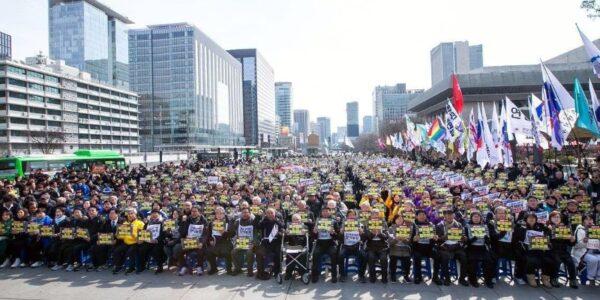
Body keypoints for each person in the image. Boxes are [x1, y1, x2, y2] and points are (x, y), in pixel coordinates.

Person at [514, 212, 553, 288]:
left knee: (548, 260)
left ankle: (545, 278)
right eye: (529, 218)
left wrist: (549, 229)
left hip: (539, 249)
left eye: (533, 218)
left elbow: (547, 235)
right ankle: (531, 277)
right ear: (526, 219)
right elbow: (517, 239)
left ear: (536, 219)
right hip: (526, 250)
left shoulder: (541, 226)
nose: (531, 219)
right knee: (530, 260)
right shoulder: (521, 227)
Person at [434, 209, 469, 286]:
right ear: (444, 216)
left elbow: (463, 238)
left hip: (457, 247)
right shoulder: (439, 225)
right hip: (445, 247)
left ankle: (462, 278)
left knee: (464, 257)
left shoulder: (459, 224)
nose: (449, 216)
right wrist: (445, 237)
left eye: (451, 214)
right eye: (447, 214)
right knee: (444, 258)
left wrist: (464, 238)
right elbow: (437, 240)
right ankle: (447, 278)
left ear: (454, 215)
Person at [547, 210, 578, 288]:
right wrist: (550, 231)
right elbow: (546, 241)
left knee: (571, 262)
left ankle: (573, 280)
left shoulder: (565, 228)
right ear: (550, 218)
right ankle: (554, 278)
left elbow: (569, 243)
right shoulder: (546, 227)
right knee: (557, 261)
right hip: (551, 251)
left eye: (558, 217)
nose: (556, 219)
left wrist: (572, 240)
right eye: (554, 217)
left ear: (561, 218)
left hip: (563, 251)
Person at [175, 206, 209, 276]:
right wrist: (183, 222)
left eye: (195, 211)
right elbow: (182, 232)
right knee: (177, 248)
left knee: (201, 249)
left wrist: (202, 242)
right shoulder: (187, 219)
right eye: (192, 211)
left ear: (199, 212)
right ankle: (184, 266)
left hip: (198, 241)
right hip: (188, 241)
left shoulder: (204, 220)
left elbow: (205, 234)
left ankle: (199, 266)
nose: (193, 213)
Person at [464, 211, 494, 288]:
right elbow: (465, 241)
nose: (476, 218)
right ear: (471, 218)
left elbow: (488, 241)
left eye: (478, 217)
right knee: (473, 261)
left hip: (483, 247)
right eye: (474, 217)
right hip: (472, 248)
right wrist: (473, 238)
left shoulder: (485, 226)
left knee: (489, 260)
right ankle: (473, 279)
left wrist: (487, 239)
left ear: (481, 218)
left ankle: (488, 280)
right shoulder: (467, 226)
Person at [311, 207, 340, 283]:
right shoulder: (318, 221)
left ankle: (334, 275)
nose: (325, 213)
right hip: (320, 243)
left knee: (334, 255)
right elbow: (313, 236)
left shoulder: (334, 221)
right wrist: (314, 232)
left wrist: (333, 233)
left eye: (327, 211)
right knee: (315, 254)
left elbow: (338, 236)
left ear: (330, 212)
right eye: (323, 211)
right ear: (321, 213)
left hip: (330, 243)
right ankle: (315, 275)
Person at [112, 208, 145, 274]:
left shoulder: (140, 223)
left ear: (136, 214)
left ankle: (131, 267)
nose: (130, 215)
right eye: (128, 214)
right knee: (116, 251)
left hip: (136, 243)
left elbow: (141, 237)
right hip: (126, 242)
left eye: (132, 214)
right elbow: (120, 236)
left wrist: (132, 233)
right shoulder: (125, 223)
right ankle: (119, 266)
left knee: (130, 252)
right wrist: (118, 234)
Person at [337, 209, 366, 283]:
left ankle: (361, 275)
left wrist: (361, 233)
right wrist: (342, 231)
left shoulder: (359, 223)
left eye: (353, 215)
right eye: (349, 215)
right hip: (346, 246)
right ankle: (342, 275)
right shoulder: (344, 223)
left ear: (355, 216)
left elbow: (364, 236)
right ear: (347, 216)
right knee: (340, 256)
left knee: (364, 256)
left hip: (356, 246)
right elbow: (339, 237)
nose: (351, 216)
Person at [411, 209, 439, 284]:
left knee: (438, 255)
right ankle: (418, 276)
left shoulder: (431, 225)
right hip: (417, 248)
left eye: (423, 215)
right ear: (416, 216)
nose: (422, 216)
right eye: (420, 215)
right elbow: (409, 238)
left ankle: (436, 276)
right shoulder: (413, 225)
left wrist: (435, 238)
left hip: (428, 248)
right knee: (417, 256)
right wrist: (413, 239)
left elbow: (434, 239)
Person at [255, 208, 284, 280]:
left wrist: (275, 220)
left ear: (275, 214)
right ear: (266, 214)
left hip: (276, 241)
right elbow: (257, 226)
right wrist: (257, 216)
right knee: (259, 253)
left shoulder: (278, 220)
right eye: (268, 213)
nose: (270, 215)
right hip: (266, 241)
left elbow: (283, 226)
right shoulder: (264, 220)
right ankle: (261, 271)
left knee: (278, 252)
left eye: (271, 213)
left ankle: (277, 271)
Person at [573, 214, 600, 286]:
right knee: (593, 260)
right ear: (583, 221)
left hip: (596, 251)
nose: (589, 221)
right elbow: (577, 246)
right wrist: (584, 242)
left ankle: (598, 276)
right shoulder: (580, 230)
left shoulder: (596, 229)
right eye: (587, 219)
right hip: (582, 252)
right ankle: (590, 278)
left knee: (598, 259)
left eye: (591, 219)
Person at [364, 208, 389, 283]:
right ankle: (372, 276)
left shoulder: (383, 223)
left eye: (376, 214)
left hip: (382, 246)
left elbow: (386, 237)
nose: (375, 216)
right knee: (371, 258)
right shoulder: (367, 223)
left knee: (383, 259)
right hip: (371, 246)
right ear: (371, 215)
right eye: (373, 214)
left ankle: (384, 276)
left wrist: (380, 233)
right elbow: (366, 237)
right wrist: (372, 233)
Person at [206, 206, 233, 275]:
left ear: (224, 214)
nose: (219, 215)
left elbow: (232, 234)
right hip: (215, 242)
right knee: (208, 251)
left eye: (221, 213)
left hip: (226, 242)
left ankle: (229, 269)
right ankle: (214, 268)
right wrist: (211, 240)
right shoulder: (211, 223)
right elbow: (208, 234)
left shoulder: (229, 222)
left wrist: (224, 233)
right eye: (217, 213)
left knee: (227, 250)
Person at [139, 209, 165, 274]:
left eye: (156, 213)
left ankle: (159, 266)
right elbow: (143, 232)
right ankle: (143, 265)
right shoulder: (148, 223)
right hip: (148, 241)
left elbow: (164, 233)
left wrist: (157, 239)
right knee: (142, 249)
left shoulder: (163, 222)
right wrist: (142, 238)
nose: (154, 215)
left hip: (158, 241)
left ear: (159, 215)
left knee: (156, 250)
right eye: (152, 214)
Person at [283, 213, 308, 280]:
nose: (296, 221)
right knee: (290, 256)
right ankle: (288, 273)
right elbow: (285, 240)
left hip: (301, 246)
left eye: (297, 219)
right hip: (291, 246)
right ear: (291, 220)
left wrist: (305, 234)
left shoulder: (305, 227)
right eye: (294, 220)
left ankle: (302, 273)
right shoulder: (289, 227)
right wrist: (286, 234)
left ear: (300, 220)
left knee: (302, 256)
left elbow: (309, 240)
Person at [388, 213, 412, 283]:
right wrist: (396, 239)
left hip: (405, 248)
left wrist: (404, 239)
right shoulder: (391, 228)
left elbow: (409, 242)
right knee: (393, 258)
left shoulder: (407, 228)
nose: (399, 220)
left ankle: (406, 275)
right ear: (394, 220)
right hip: (394, 248)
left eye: (401, 219)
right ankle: (392, 275)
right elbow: (390, 241)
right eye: (398, 219)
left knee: (408, 260)